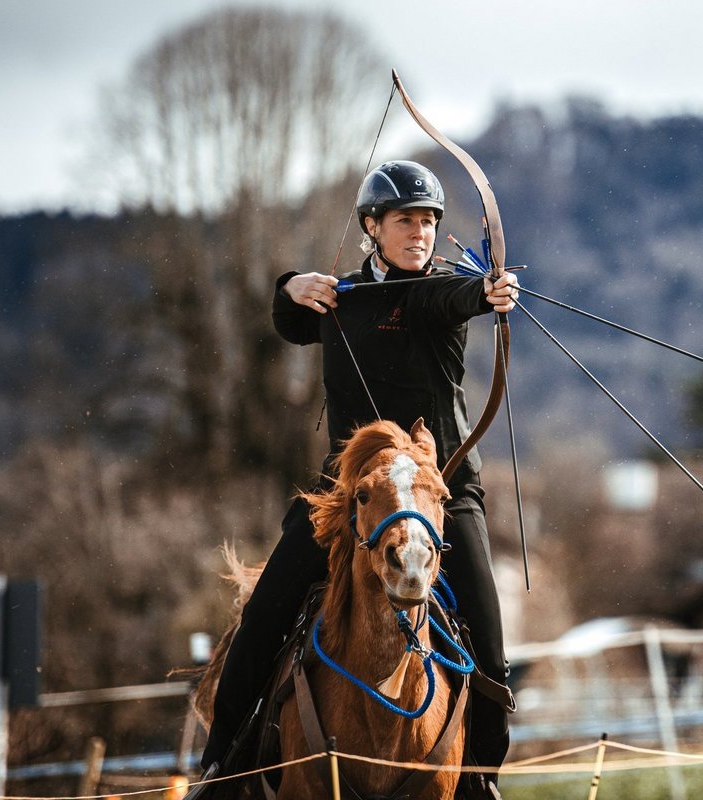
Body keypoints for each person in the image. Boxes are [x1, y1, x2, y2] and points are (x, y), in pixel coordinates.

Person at [197, 160, 517, 800]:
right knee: (263, 618)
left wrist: (487, 293)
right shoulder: (340, 299)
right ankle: (222, 767)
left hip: (442, 492)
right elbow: (291, 324)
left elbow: (446, 297)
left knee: (491, 648)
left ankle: (479, 779)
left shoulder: (441, 297)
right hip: (348, 497)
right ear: (372, 226)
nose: (420, 232)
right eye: (406, 220)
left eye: (429, 221)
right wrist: (291, 285)